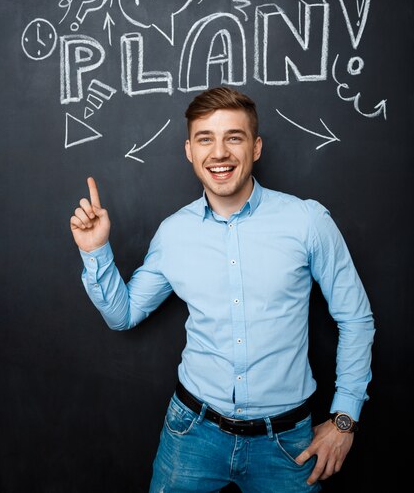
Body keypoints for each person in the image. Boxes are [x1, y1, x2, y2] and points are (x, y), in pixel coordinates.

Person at [70, 86, 375, 493]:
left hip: (286, 444)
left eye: (234, 137)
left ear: (256, 147)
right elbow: (123, 315)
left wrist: (345, 420)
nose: (219, 153)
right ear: (189, 152)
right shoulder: (173, 233)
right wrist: (95, 252)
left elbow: (356, 319)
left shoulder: (307, 222)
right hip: (192, 434)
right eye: (205, 139)